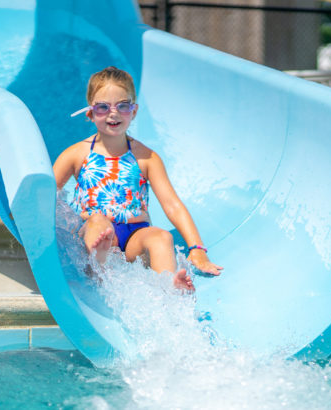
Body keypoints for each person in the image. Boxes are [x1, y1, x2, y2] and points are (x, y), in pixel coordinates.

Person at [53, 66, 222, 291]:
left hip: (134, 235)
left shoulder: (146, 157)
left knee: (161, 237)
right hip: (95, 230)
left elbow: (172, 205)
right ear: (91, 113)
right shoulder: (76, 154)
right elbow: (47, 194)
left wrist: (197, 249)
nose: (113, 113)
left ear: (133, 111)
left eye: (122, 106)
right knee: (98, 224)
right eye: (103, 107)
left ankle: (170, 290)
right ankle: (98, 268)